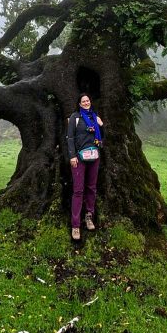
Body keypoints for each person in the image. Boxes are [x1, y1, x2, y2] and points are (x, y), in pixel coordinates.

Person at [66, 93, 104, 240]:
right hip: (79, 158)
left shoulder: (95, 117)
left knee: (92, 188)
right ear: (79, 103)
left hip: (94, 156)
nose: (86, 102)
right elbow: (69, 137)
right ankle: (75, 226)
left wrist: (101, 125)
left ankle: (89, 217)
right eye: (83, 101)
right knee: (78, 190)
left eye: (88, 100)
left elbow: (102, 136)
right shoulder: (75, 118)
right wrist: (72, 156)